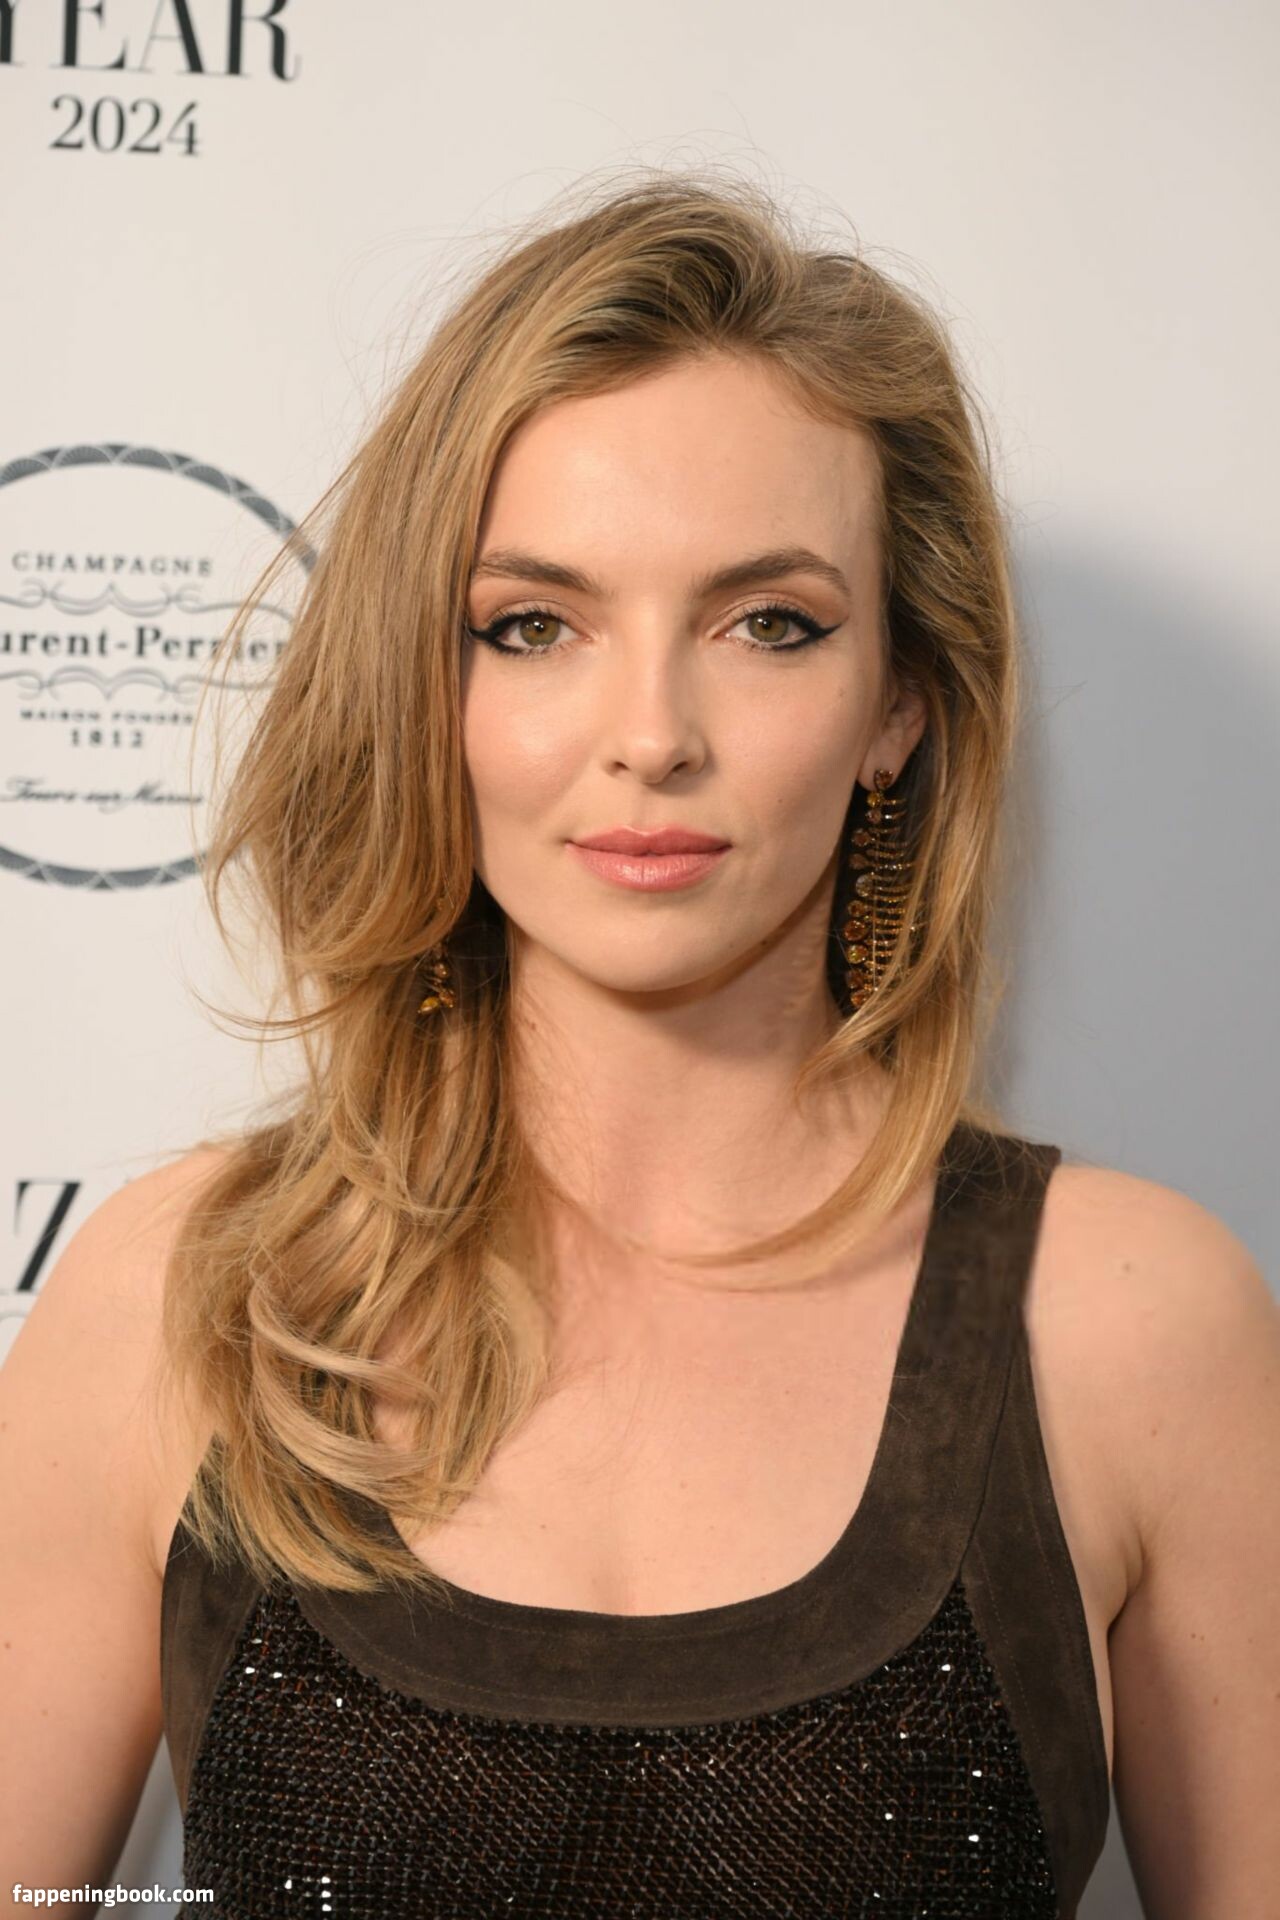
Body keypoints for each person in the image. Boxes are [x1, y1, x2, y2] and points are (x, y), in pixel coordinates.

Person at [1, 168, 1275, 1920]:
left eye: (770, 625)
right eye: (534, 625)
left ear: (900, 706)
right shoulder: (182, 1302)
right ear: (423, 685)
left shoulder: (1135, 1329)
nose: (653, 734)